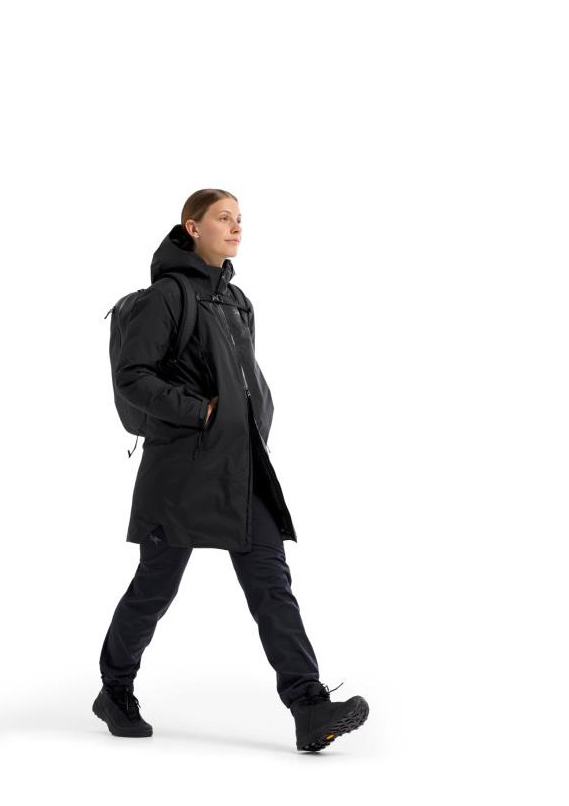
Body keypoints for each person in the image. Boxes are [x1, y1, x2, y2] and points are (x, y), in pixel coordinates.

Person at [95, 189, 370, 753]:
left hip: (241, 467)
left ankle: (309, 707)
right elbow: (133, 376)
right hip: (181, 470)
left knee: (272, 583)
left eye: (239, 218)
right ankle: (114, 689)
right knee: (155, 586)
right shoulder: (166, 297)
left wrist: (250, 421)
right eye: (223, 218)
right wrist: (200, 411)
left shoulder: (237, 300)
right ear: (192, 227)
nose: (236, 226)